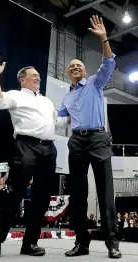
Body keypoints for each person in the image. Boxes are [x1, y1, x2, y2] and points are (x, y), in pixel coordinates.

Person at [0, 55, 67, 257]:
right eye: (33, 76)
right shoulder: (16, 95)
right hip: (26, 145)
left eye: (38, 75)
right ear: (22, 79)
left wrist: (75, 112)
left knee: (41, 198)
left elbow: (58, 124)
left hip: (49, 149)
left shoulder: (47, 101)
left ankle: (29, 244)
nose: (38, 78)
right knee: (15, 192)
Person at [58, 16, 121, 259]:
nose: (75, 67)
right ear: (67, 72)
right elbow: (55, 119)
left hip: (98, 139)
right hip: (76, 142)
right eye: (71, 66)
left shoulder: (95, 83)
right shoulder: (66, 98)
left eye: (79, 66)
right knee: (78, 194)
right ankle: (81, 243)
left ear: (84, 70)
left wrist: (103, 38)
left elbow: (108, 62)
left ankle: (112, 243)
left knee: (105, 192)